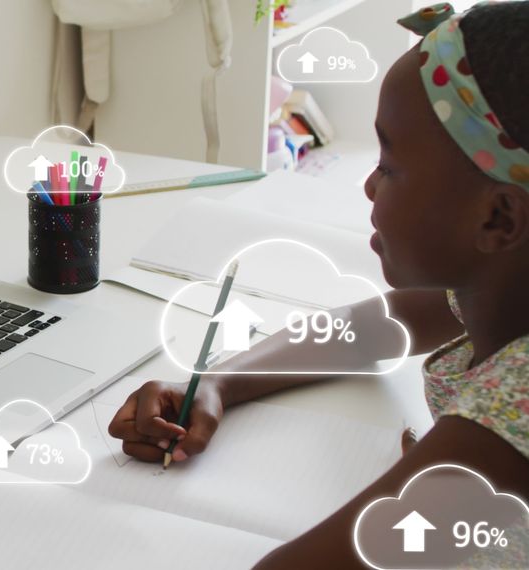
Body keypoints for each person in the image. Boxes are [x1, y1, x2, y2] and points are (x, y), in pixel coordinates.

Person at [108, 2, 529, 567]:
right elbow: (381, 327)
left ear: (498, 219)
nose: (369, 186)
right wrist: (217, 382)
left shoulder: (511, 415)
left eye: (390, 164)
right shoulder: (504, 286)